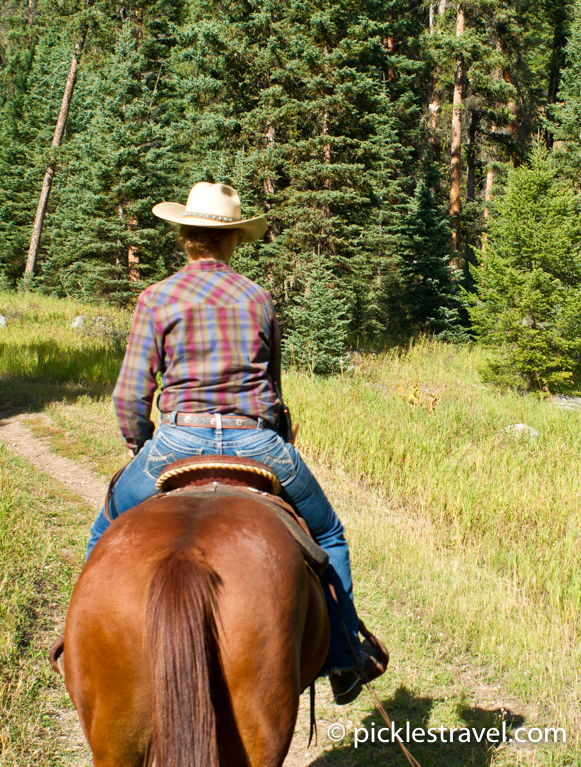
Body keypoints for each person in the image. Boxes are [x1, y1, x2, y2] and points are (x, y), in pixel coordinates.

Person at [86, 181, 388, 705]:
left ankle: (80, 641)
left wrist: (142, 445)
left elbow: (130, 395)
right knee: (329, 535)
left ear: (184, 235)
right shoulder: (259, 299)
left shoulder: (156, 298)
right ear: (232, 241)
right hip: (257, 443)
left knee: (104, 530)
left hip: (177, 440)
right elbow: (272, 389)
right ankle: (343, 657)